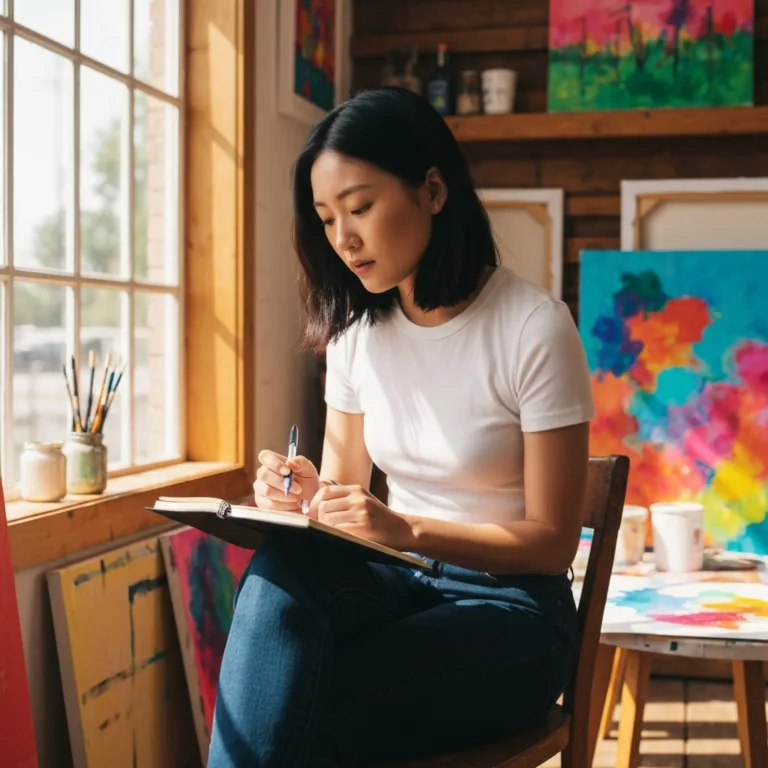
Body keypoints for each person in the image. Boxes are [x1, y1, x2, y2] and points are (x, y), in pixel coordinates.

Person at [207, 86, 595, 768]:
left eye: (360, 207)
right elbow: (341, 498)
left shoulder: (534, 327)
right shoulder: (358, 335)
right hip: (398, 582)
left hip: (513, 611)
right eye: (327, 219)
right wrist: (301, 495)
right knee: (276, 578)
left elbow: (553, 541)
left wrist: (406, 528)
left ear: (434, 191)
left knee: (306, 704)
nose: (343, 238)